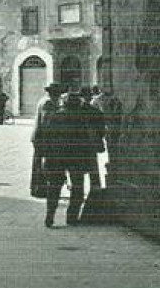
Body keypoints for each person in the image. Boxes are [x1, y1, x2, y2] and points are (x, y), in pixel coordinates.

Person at [41, 91, 96, 227]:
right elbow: (85, 140)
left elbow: (45, 138)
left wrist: (45, 156)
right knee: (77, 188)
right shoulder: (81, 118)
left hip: (56, 157)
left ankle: (50, 216)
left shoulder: (54, 116)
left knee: (54, 187)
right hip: (76, 158)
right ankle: (72, 217)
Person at [30, 82, 62, 197]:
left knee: (39, 162)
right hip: (43, 137)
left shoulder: (44, 100)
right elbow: (46, 122)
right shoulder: (48, 103)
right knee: (43, 163)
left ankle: (38, 188)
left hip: (40, 136)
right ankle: (40, 189)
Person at [80, 85, 106, 197]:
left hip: (79, 146)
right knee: (93, 170)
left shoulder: (76, 112)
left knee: (79, 171)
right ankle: (96, 194)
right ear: (90, 97)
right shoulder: (95, 112)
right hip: (91, 146)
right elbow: (102, 130)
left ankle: (78, 192)